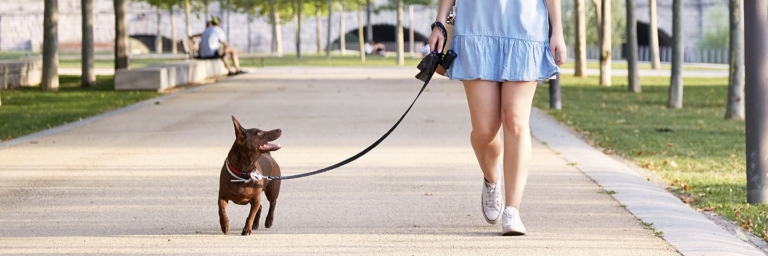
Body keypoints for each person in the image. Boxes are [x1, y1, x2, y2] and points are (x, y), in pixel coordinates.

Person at [428, 0, 565, 236]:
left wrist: (558, 31)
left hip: (526, 24)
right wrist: (440, 21)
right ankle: (492, 177)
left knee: (515, 120)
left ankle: (512, 211)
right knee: (484, 130)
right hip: (476, 25)